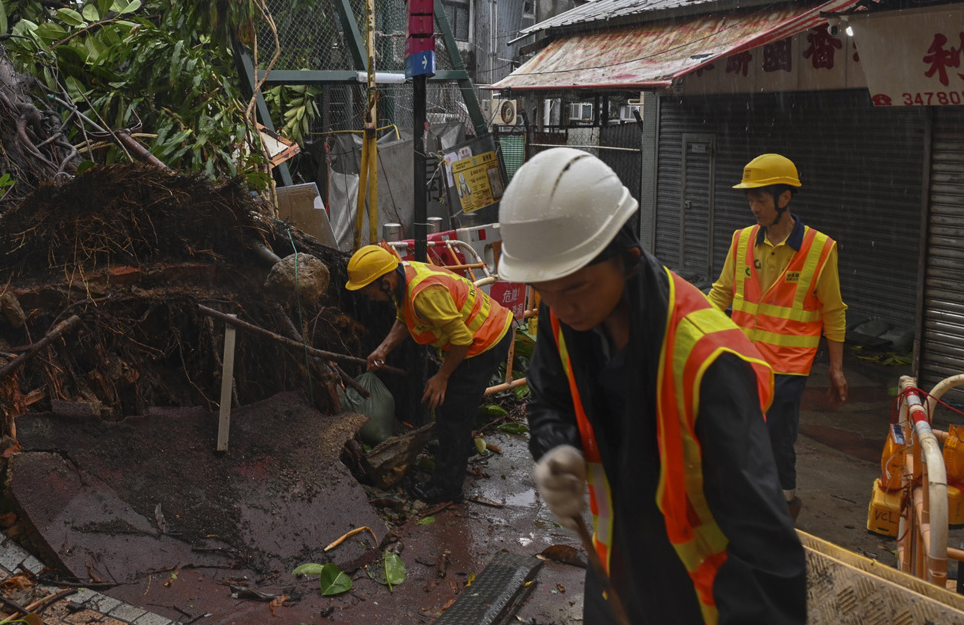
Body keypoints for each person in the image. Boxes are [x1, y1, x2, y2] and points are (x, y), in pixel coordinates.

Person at [497, 148, 806, 625]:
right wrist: (555, 449)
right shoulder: (566, 320)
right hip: (613, 578)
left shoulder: (708, 363)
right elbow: (548, 401)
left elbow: (766, 549)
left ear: (629, 259)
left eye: (575, 288)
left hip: (700, 599)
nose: (559, 308)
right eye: (545, 291)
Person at [708, 153, 848, 521]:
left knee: (776, 439)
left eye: (761, 198)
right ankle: (742, 502)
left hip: (788, 368)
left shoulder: (820, 250)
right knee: (735, 430)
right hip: (741, 360)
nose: (754, 207)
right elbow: (721, 293)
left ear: (784, 198)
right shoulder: (741, 241)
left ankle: (783, 508)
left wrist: (837, 368)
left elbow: (833, 310)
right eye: (750, 198)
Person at [345, 243, 513, 504]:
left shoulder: (424, 294)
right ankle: (460, 448)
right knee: (451, 407)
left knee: (453, 411)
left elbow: (462, 338)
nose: (368, 297)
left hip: (484, 340)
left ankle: (447, 489)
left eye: (368, 291)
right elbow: (405, 317)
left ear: (385, 283)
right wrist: (383, 349)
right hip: (481, 334)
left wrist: (442, 377)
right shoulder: (403, 276)